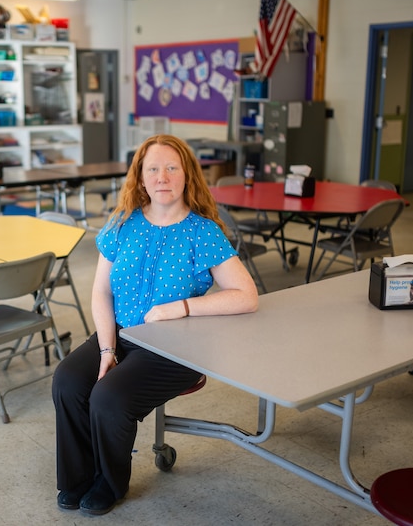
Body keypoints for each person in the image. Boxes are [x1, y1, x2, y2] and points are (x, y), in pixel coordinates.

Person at [52, 134, 259, 516]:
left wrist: (181, 307)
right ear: (141, 178)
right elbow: (100, 293)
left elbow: (246, 295)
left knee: (108, 397)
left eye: (171, 167)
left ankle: (109, 483)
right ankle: (78, 476)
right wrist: (106, 349)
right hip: (123, 335)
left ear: (187, 175)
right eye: (152, 169)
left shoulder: (202, 231)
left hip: (175, 349)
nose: (161, 176)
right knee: (67, 380)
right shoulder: (121, 223)